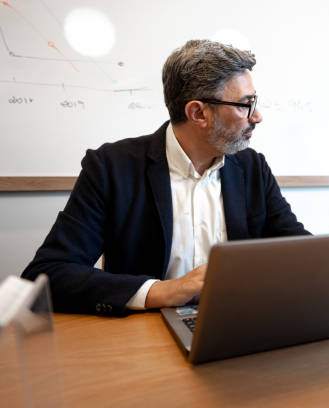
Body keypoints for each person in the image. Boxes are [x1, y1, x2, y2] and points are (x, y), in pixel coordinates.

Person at [22, 40, 310, 316]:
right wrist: (163, 291)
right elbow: (48, 273)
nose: (256, 116)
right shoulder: (112, 167)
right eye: (245, 104)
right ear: (198, 113)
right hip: (144, 339)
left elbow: (300, 252)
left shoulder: (252, 168)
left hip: (239, 324)